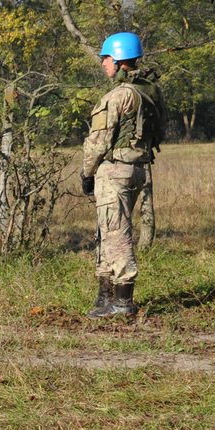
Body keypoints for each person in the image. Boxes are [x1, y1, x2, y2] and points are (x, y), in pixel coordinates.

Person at [80, 31, 164, 319]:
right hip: (139, 168)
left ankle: (122, 303)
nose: (103, 63)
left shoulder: (118, 96)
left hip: (115, 171)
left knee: (116, 233)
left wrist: (86, 172)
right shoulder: (147, 91)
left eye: (106, 58)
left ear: (117, 60)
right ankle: (104, 298)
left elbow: (99, 141)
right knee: (107, 229)